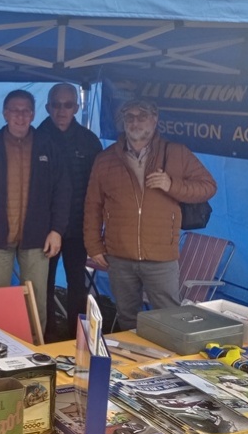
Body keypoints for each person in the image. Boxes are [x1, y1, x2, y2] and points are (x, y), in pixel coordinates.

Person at [84, 99, 217, 330]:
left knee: (170, 319)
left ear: (155, 120)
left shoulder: (176, 153)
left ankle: (166, 355)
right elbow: (93, 204)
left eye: (142, 116)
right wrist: (93, 245)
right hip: (120, 255)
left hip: (161, 256)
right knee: (127, 318)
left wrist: (172, 184)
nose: (135, 122)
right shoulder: (105, 158)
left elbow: (208, 187)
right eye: (130, 117)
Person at [0, 89, 70, 331]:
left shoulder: (48, 146)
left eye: (26, 111)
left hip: (38, 238)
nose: (20, 116)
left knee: (36, 300)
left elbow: (62, 192)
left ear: (33, 114)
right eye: (15, 111)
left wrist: (57, 231)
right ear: (5, 113)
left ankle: (34, 346)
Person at [36, 83, 102, 340]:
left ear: (76, 107)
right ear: (47, 107)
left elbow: (99, 188)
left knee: (77, 283)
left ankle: (78, 336)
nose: (61, 110)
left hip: (77, 227)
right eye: (56, 104)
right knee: (44, 283)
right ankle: (47, 333)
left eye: (68, 105)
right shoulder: (36, 138)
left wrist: (95, 227)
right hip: (45, 228)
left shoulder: (89, 141)